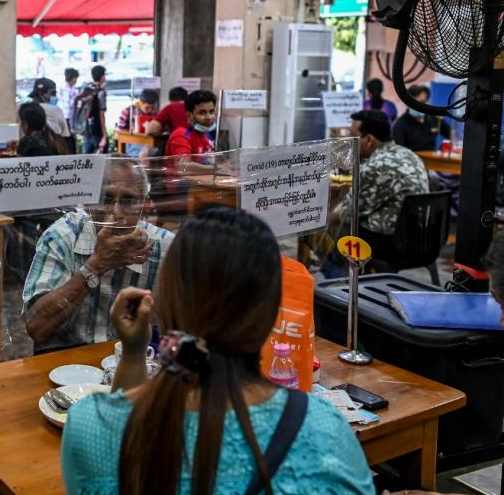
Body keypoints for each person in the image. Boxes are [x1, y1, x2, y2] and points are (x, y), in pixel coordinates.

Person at [61, 207, 375, 494]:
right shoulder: (324, 432)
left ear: (163, 303)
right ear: (271, 317)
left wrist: (133, 353)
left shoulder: (90, 427)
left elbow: (129, 418)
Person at [23, 157, 174, 353]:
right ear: (90, 202)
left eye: (128, 201)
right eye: (106, 199)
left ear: (144, 205)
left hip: (130, 362)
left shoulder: (164, 248)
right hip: (66, 368)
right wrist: (96, 266)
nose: (116, 213)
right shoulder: (62, 237)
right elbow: (36, 327)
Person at [331, 110, 429, 255]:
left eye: (353, 136)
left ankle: (333, 273)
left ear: (369, 140)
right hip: (421, 237)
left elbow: (342, 214)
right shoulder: (409, 154)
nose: (349, 140)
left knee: (335, 229)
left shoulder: (376, 167)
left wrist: (314, 221)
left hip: (392, 243)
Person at [165, 90, 217, 170]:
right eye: (202, 113)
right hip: (184, 182)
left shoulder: (206, 136)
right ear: (189, 116)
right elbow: (183, 166)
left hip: (204, 180)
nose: (208, 117)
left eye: (211, 112)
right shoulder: (182, 135)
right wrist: (217, 169)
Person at [393, 84, 451, 152]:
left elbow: (453, 136)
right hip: (412, 160)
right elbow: (399, 152)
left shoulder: (434, 119)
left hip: (432, 160)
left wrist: (442, 148)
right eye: (418, 102)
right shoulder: (400, 125)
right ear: (408, 103)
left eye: (424, 102)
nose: (422, 106)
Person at [116, 88, 159, 157]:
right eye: (147, 107)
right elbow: (118, 133)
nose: (150, 110)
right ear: (141, 102)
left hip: (151, 142)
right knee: (143, 154)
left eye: (152, 107)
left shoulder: (156, 112)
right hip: (133, 143)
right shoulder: (128, 112)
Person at [82, 65, 109, 154]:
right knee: (102, 160)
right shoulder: (101, 92)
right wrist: (104, 136)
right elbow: (101, 115)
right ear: (102, 76)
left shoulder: (86, 89)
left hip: (86, 129)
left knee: (86, 160)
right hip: (97, 129)